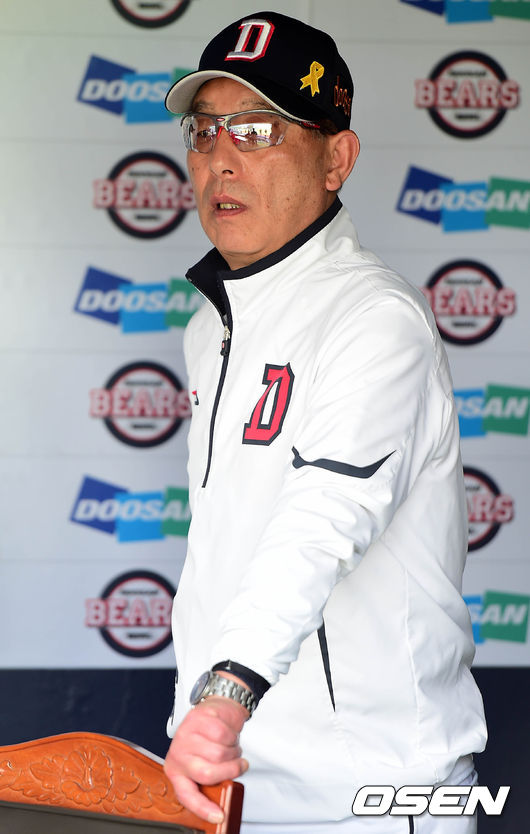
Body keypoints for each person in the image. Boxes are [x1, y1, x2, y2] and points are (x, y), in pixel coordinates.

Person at [162, 11, 487, 833]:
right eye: (205, 132)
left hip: (370, 796)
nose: (221, 157)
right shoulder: (210, 325)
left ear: (336, 159)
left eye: (257, 130)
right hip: (235, 780)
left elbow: (320, 526)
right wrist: (201, 722)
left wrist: (223, 697)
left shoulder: (376, 319)